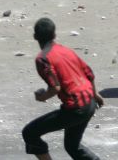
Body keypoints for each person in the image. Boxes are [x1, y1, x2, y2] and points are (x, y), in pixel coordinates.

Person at [22, 17, 104, 160]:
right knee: (72, 147)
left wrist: (41, 97)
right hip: (89, 102)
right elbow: (89, 73)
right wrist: (95, 94)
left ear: (35, 37)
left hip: (75, 109)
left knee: (30, 133)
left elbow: (55, 88)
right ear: (54, 35)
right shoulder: (66, 50)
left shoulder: (42, 59)